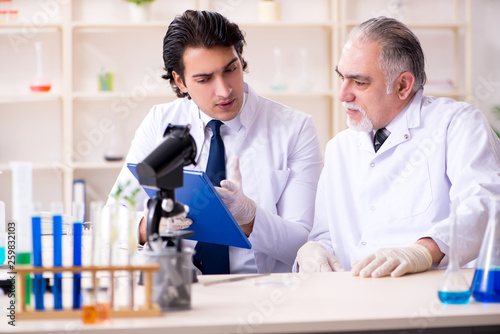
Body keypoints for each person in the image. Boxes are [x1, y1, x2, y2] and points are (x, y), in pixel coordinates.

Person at [103, 10, 323, 274]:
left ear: (241, 59)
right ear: (180, 81)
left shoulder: (295, 128)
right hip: (180, 287)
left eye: (230, 69)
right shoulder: (160, 122)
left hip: (257, 293)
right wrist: (150, 224)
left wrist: (250, 217)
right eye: (204, 79)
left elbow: (303, 245)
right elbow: (110, 219)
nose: (224, 90)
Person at [296, 16, 500, 278]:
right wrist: (313, 249)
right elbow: (328, 235)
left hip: (437, 299)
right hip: (355, 300)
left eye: (359, 82)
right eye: (342, 78)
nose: (343, 95)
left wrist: (424, 251)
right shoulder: (340, 148)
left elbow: (486, 204)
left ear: (403, 85)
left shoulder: (456, 124)